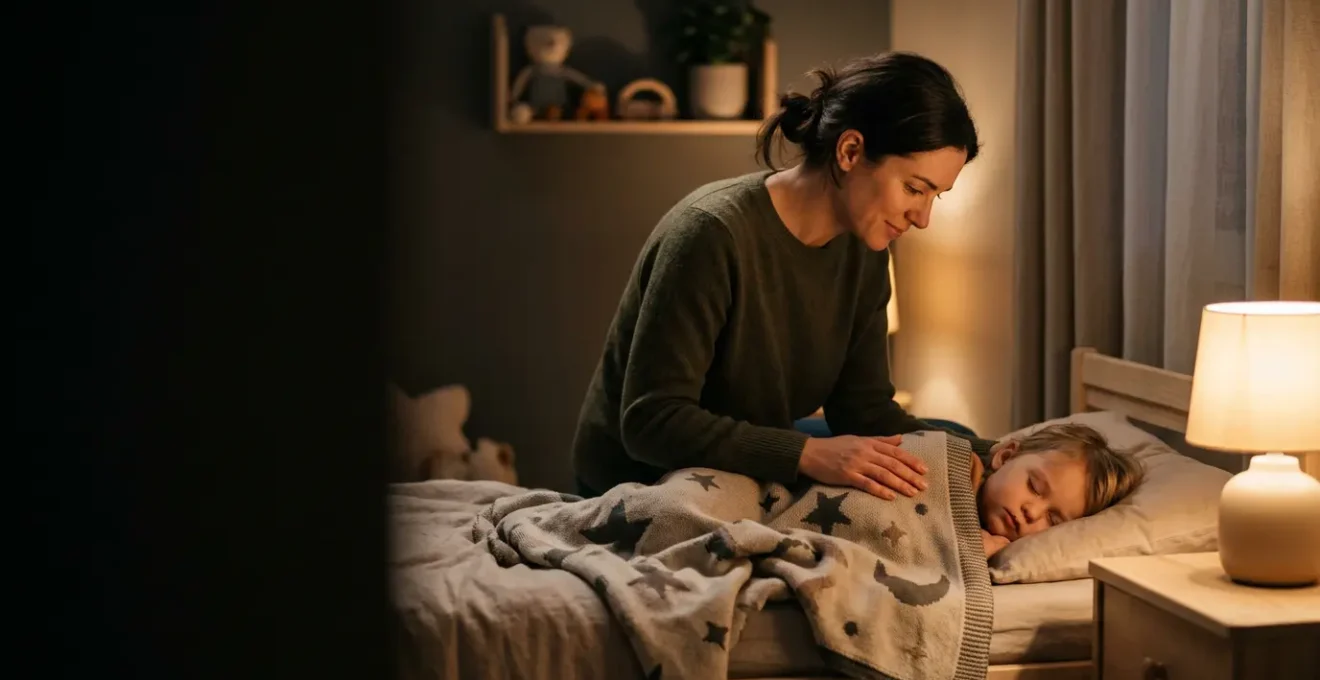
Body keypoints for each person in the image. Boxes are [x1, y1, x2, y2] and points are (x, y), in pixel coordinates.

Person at [571, 51, 993, 500]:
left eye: (936, 197)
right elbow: (651, 422)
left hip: (741, 471)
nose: (923, 218)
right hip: (642, 483)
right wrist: (809, 453)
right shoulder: (711, 233)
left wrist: (1001, 451)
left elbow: (864, 411)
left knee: (951, 437)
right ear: (850, 151)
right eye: (914, 188)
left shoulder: (865, 250)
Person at [972, 424, 1145, 557]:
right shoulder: (960, 468)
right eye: (1034, 486)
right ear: (1005, 457)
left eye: (1053, 520)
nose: (1032, 512)